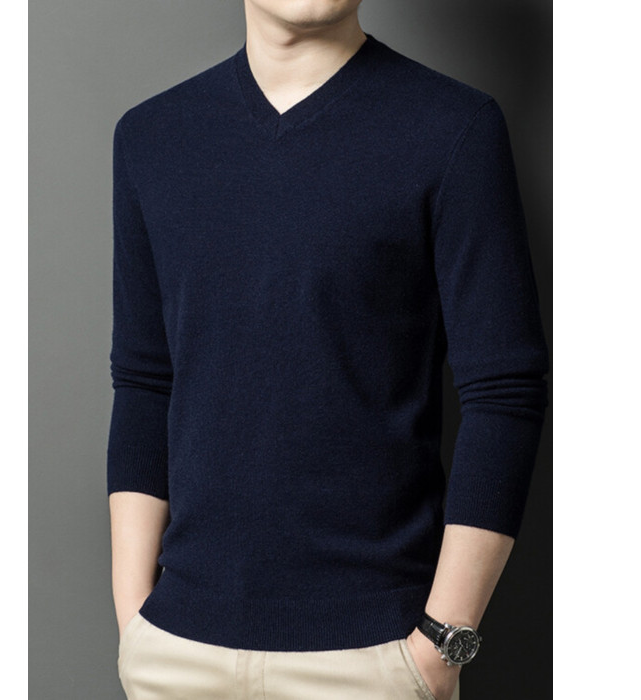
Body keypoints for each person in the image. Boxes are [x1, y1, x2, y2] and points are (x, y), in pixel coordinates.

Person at [106, 1, 550, 699]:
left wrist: (441, 643)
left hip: (375, 657)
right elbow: (143, 380)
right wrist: (135, 622)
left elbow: (505, 391)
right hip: (177, 653)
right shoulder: (152, 136)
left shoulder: (453, 126)